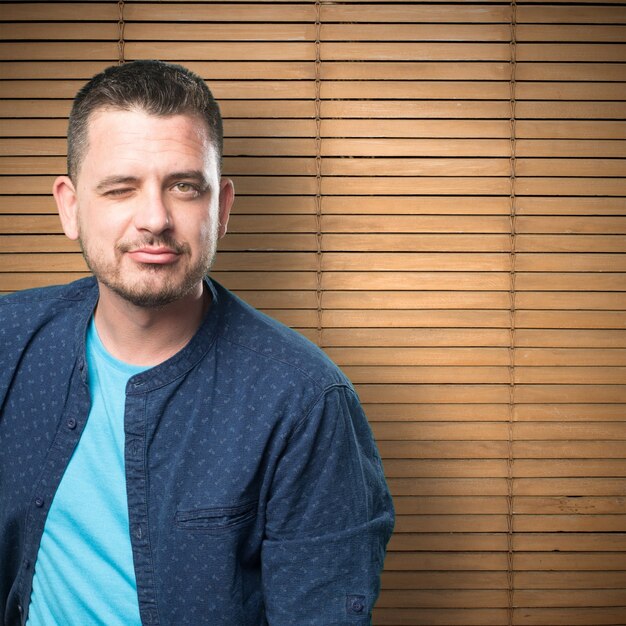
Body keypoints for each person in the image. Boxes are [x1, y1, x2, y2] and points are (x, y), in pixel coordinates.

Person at [0, 60, 394, 625]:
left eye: (184, 187)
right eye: (120, 188)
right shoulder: (8, 342)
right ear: (70, 207)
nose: (155, 219)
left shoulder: (305, 401)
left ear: (222, 207)